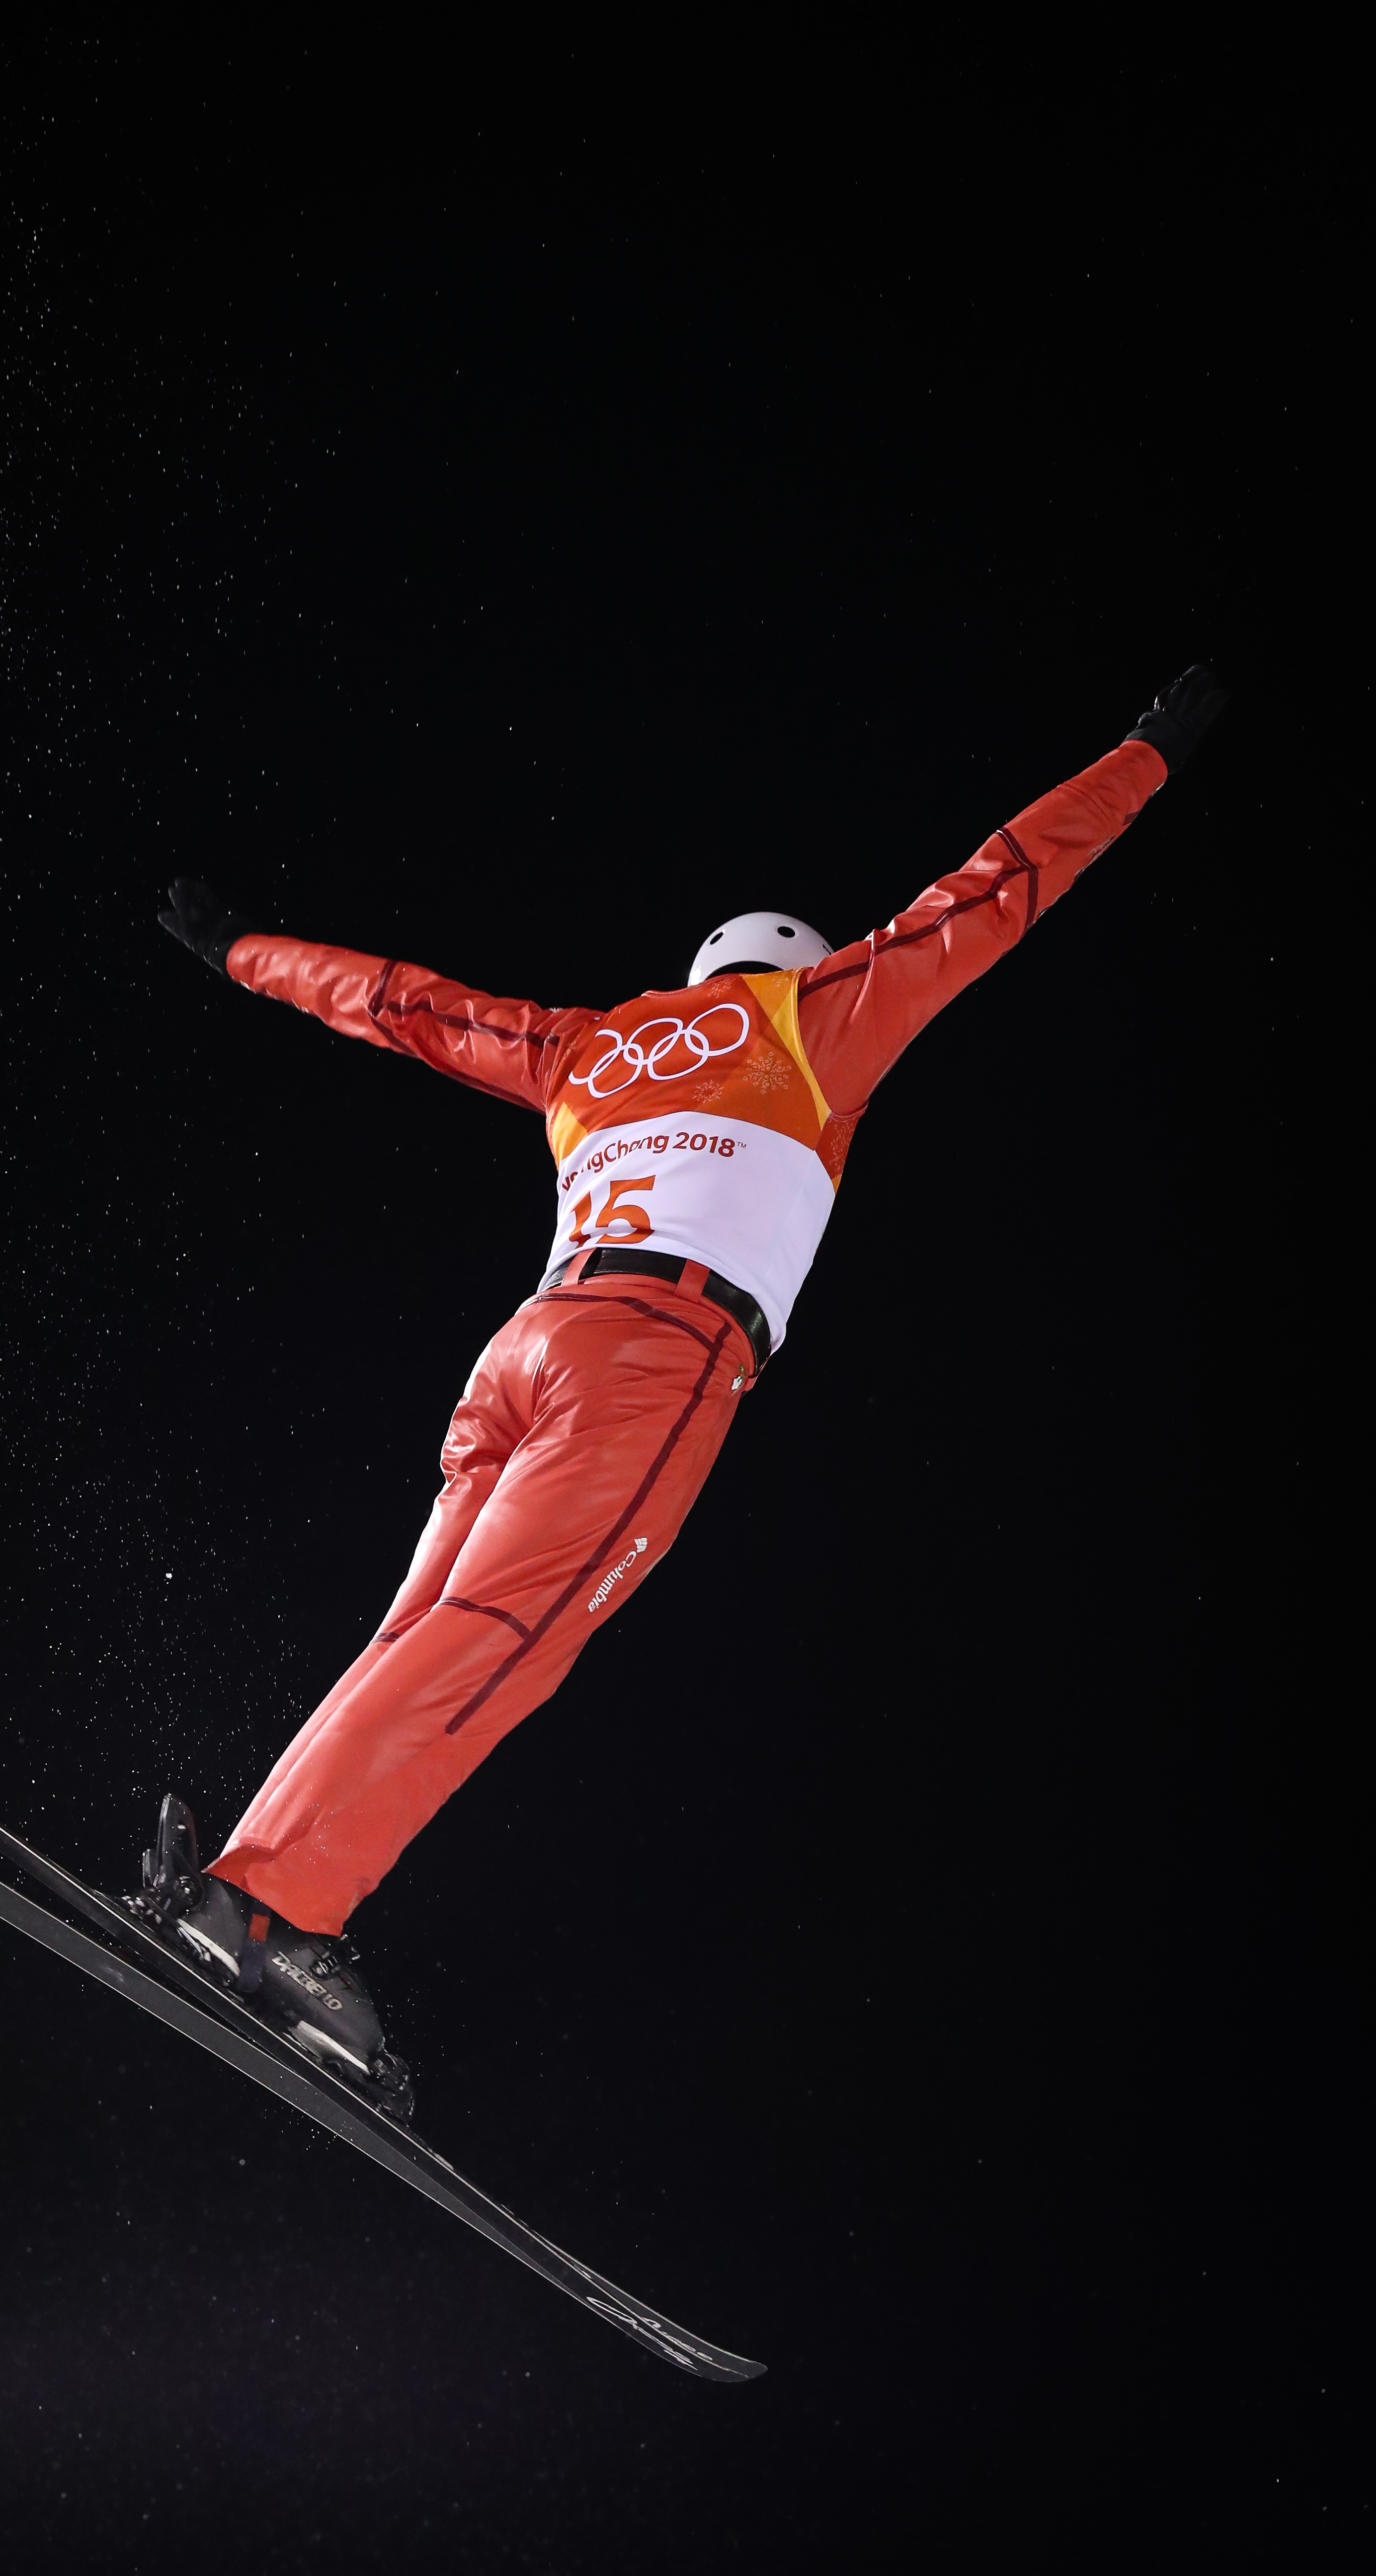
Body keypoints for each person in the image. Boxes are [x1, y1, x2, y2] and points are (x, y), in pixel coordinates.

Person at [135, 666, 1228, 2119]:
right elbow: (995, 889)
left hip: (524, 1351)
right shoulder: (813, 1021)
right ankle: (274, 1909)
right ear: (790, 966)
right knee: (499, 1647)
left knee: (425, 1636)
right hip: (652, 1356)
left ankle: (257, 1892)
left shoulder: (594, 1047)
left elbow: (406, 1006)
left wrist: (240, 951)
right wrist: (1148, 754)